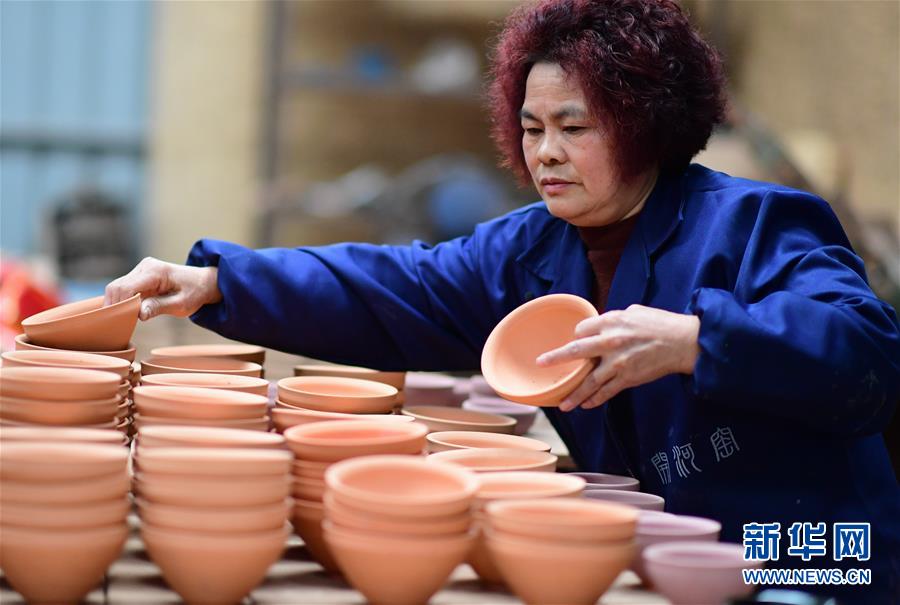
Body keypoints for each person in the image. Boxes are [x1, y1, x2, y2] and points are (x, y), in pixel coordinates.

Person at [106, 0, 899, 601]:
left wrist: (699, 339)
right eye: (531, 127)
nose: (546, 151)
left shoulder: (754, 222)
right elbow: (390, 285)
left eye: (575, 127)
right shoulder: (527, 250)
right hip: (662, 556)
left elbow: (866, 349)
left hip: (810, 545)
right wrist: (216, 281)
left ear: (647, 125)